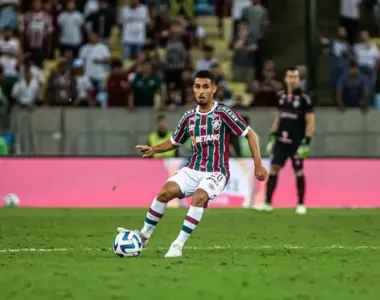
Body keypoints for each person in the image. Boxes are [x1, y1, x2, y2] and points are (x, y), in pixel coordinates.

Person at [117, 70, 268, 258]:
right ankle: (144, 235)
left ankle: (177, 245)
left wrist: (258, 164)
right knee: (164, 193)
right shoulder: (189, 117)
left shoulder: (223, 112)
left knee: (199, 197)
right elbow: (174, 141)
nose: (201, 91)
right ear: (193, 90)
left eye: (206, 86)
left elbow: (250, 134)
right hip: (192, 169)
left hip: (216, 171)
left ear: (214, 89)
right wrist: (153, 149)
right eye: (197, 87)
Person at [254, 67, 315, 214]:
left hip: (296, 142)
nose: (293, 80)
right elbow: (279, 117)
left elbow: (311, 121)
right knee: (274, 169)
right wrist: (272, 136)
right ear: (286, 79)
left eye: (295, 77)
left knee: (298, 171)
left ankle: (301, 204)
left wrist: (306, 142)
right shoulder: (281, 96)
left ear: (299, 80)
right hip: (281, 140)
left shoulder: (304, 99)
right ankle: (267, 203)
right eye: (290, 77)